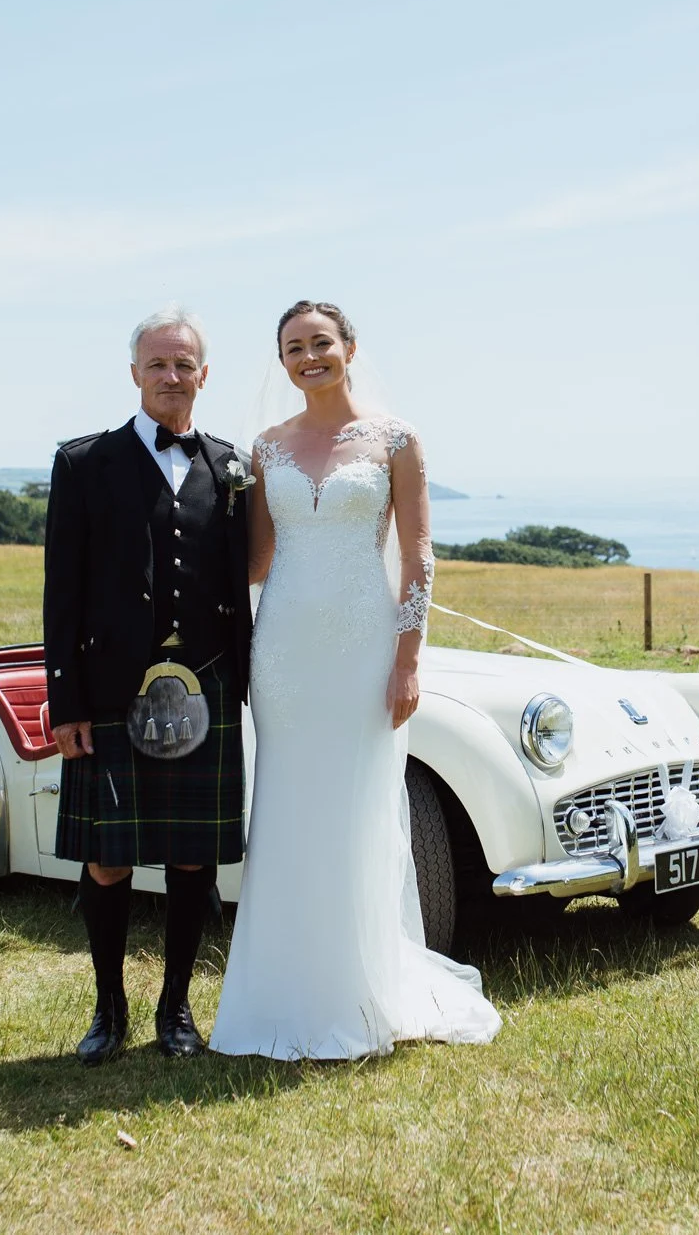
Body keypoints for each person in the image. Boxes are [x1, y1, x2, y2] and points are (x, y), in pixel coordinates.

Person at [209, 300, 501, 1059]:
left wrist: (408, 660)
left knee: (357, 812)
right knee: (287, 812)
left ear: (349, 348)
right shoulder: (266, 448)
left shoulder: (396, 440)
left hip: (365, 652)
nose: (309, 357)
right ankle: (281, 991)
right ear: (282, 363)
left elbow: (419, 557)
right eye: (294, 348)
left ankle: (360, 989)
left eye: (321, 343)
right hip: (283, 656)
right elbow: (257, 561)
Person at [44, 307, 253, 1063]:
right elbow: (60, 589)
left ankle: (176, 1009)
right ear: (135, 374)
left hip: (206, 687)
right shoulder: (83, 463)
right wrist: (63, 699)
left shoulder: (232, 467)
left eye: (185, 364)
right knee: (108, 859)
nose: (172, 376)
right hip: (107, 690)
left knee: (193, 857)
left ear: (204, 374)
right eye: (158, 364)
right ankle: (108, 1011)